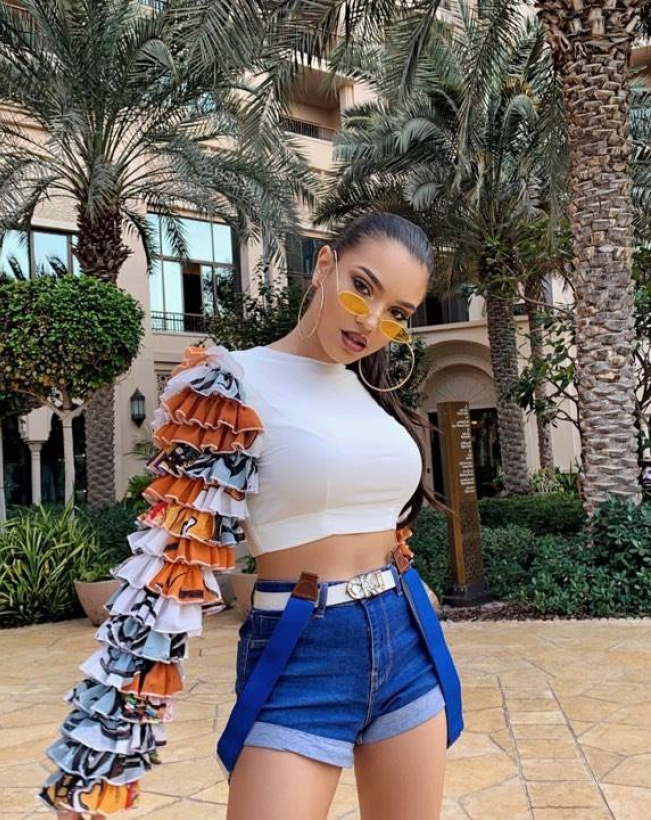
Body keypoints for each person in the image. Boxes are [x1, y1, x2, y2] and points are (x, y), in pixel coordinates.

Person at [40, 212, 464, 820]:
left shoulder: (370, 395)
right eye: (361, 288)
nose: (371, 322)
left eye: (397, 313)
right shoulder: (230, 383)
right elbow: (168, 568)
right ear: (324, 265)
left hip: (406, 637)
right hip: (301, 645)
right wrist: (98, 756)